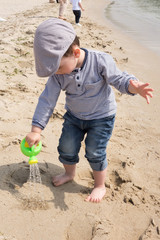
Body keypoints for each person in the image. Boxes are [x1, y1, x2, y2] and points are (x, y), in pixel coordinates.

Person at [25, 18, 153, 203]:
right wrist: (36, 130)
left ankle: (99, 185)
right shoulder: (58, 75)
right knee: (66, 148)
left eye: (58, 67)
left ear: (76, 52)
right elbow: (47, 100)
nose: (56, 72)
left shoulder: (100, 61)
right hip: (74, 116)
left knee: (95, 151)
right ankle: (69, 173)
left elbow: (120, 79)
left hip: (102, 117)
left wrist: (135, 87)